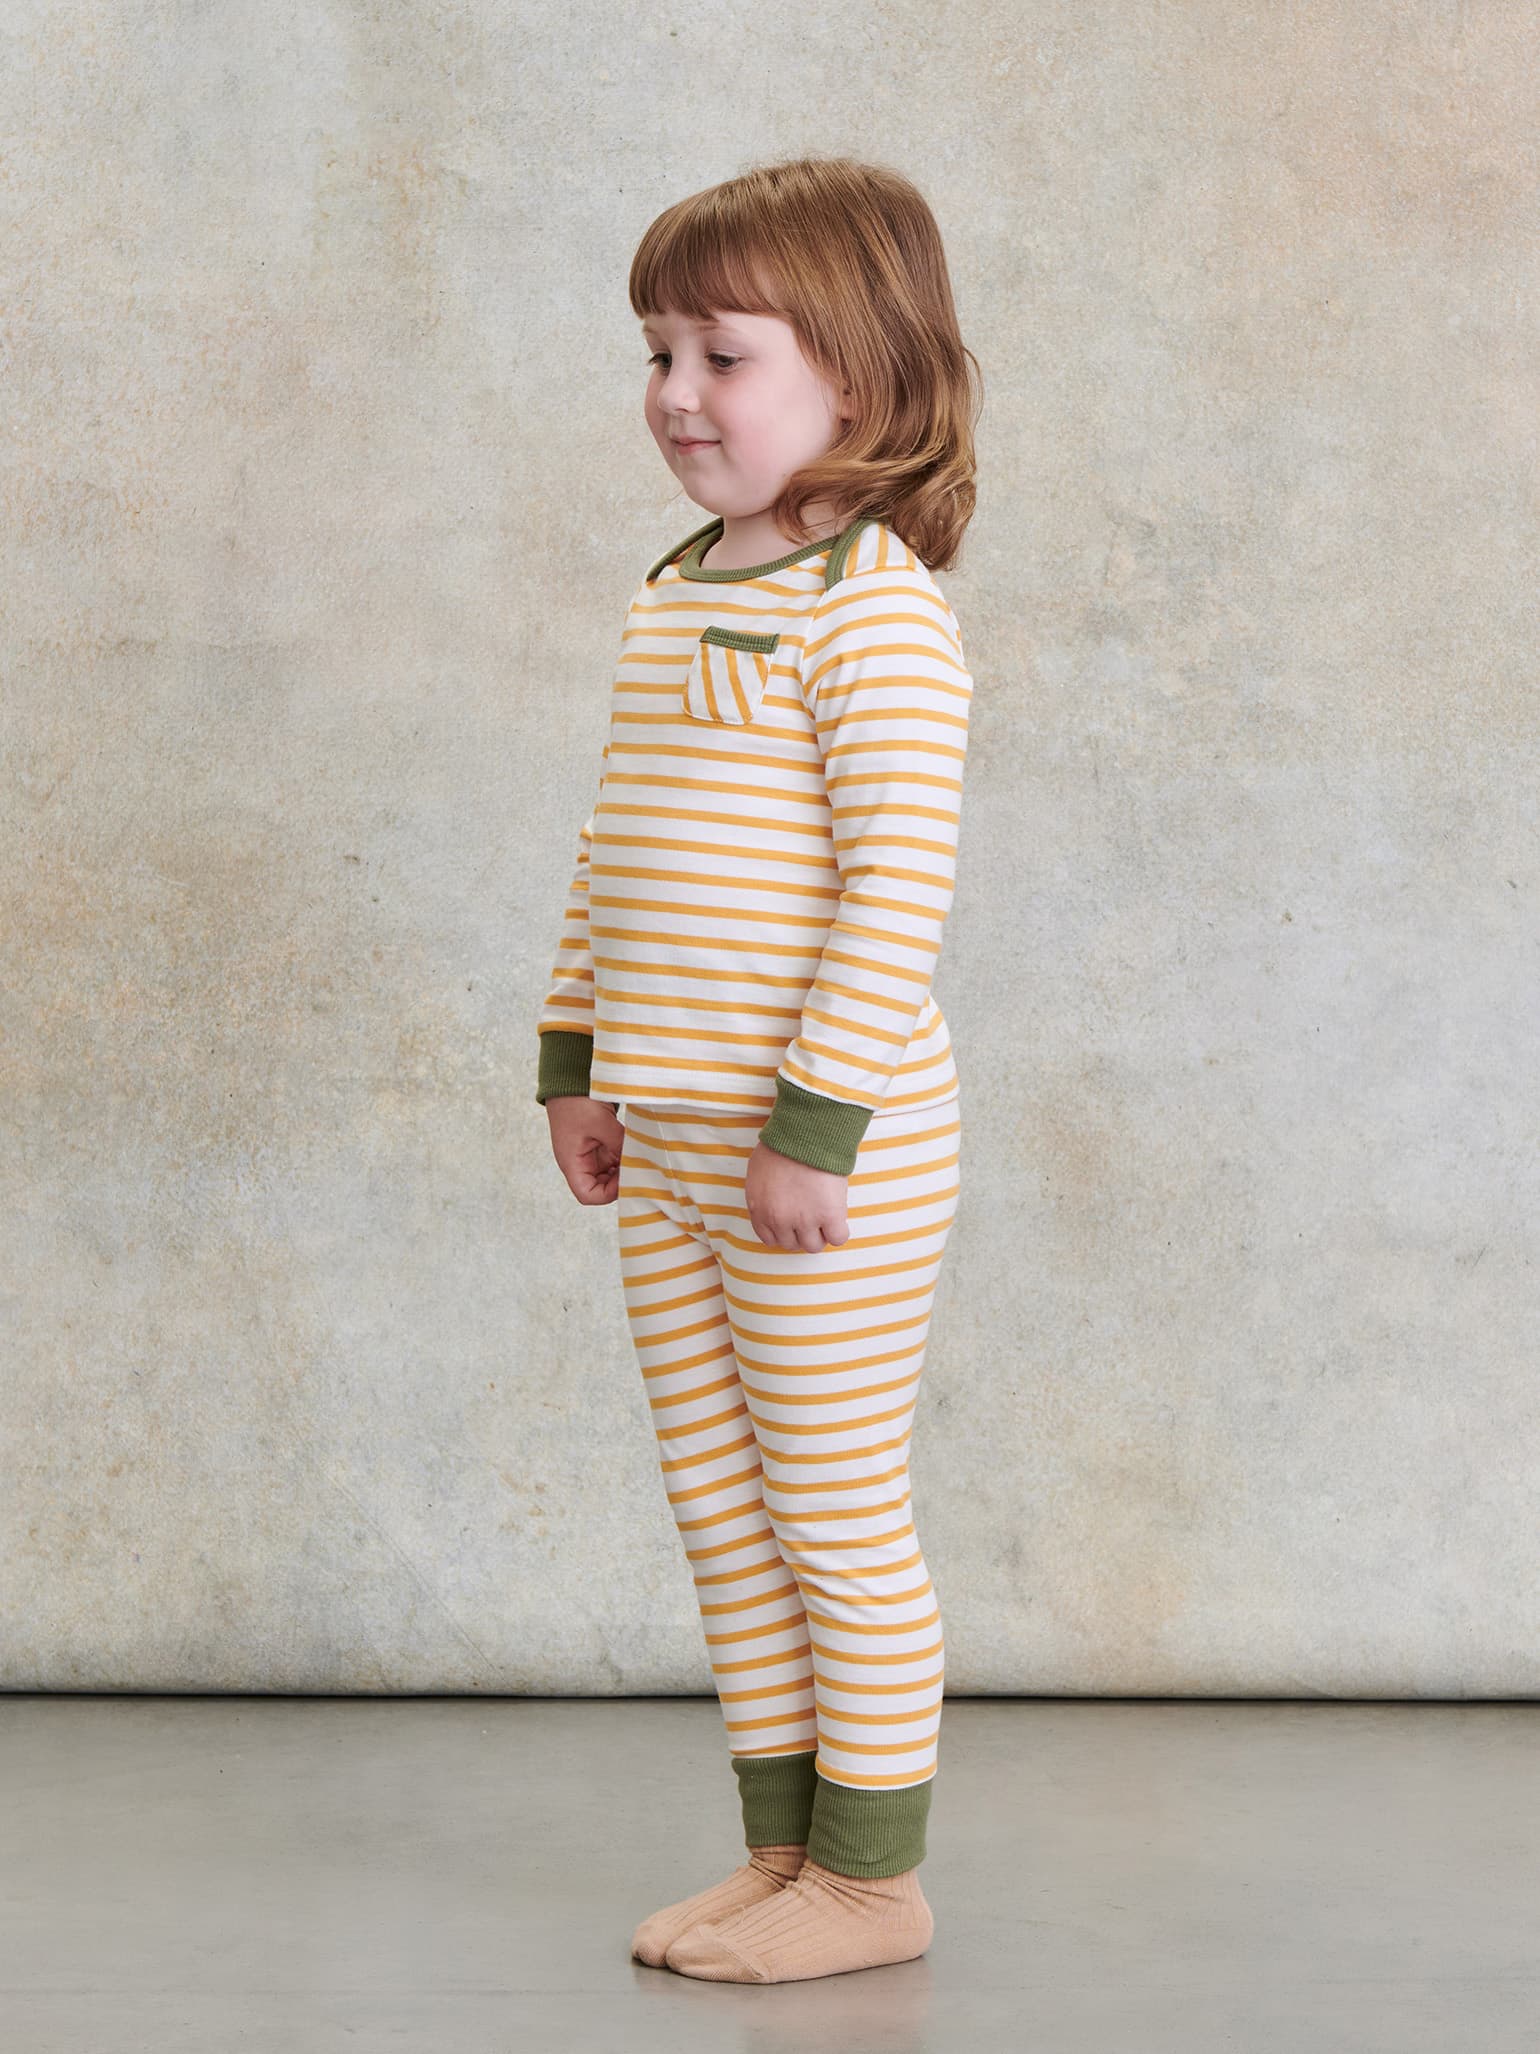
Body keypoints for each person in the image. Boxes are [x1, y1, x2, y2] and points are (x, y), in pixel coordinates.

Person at [535, 155, 982, 1984]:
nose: (675, 393)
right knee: (724, 1510)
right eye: (658, 352)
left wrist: (815, 1129)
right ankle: (784, 1852)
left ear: (856, 379)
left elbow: (897, 893)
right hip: (670, 1140)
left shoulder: (874, 610)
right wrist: (576, 1057)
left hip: (818, 1161)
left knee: (831, 1507)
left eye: (724, 354)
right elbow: (617, 851)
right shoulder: (676, 591)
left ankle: (875, 1882)